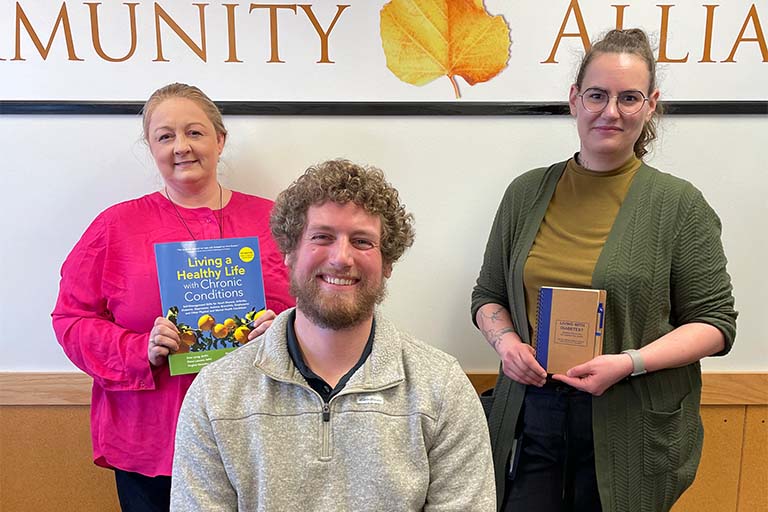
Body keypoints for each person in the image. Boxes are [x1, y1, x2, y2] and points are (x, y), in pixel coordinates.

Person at [471, 29, 737, 512]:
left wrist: (628, 362)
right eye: (597, 95)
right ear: (575, 99)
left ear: (650, 104)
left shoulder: (678, 206)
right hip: (533, 416)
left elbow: (715, 325)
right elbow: (488, 295)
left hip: (629, 420)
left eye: (629, 97)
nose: (610, 111)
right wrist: (506, 344)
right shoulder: (525, 193)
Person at [171, 159, 496, 511]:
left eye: (362, 241)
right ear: (290, 252)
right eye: (322, 237)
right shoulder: (216, 393)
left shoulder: (442, 389)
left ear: (388, 263)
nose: (341, 258)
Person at [52, 83, 294, 512]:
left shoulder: (275, 219)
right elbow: (71, 319)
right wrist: (137, 348)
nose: (181, 146)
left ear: (220, 140)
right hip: (152, 435)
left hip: (261, 428)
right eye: (165, 136)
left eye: (195, 132)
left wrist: (286, 330)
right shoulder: (115, 226)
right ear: (151, 146)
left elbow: (317, 308)